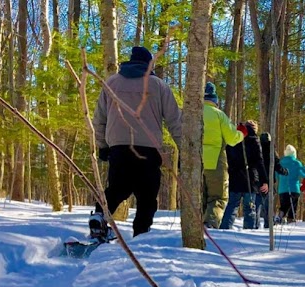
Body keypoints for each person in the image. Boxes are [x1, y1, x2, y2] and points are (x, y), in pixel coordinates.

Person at [90, 46, 183, 239]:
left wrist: (102, 145)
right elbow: (175, 120)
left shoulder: (112, 83)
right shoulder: (159, 85)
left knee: (116, 188)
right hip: (148, 148)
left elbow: (99, 118)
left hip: (119, 146)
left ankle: (100, 216)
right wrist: (184, 148)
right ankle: (141, 231)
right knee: (147, 194)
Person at [203, 82, 244, 228]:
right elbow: (232, 139)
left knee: (199, 197)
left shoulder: (191, 113)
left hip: (195, 163)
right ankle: (210, 226)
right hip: (215, 162)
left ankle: (195, 225)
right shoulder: (219, 115)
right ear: (215, 100)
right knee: (218, 197)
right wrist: (242, 133)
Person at [220, 120, 268, 229]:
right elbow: (259, 162)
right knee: (250, 207)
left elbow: (228, 156)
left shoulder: (234, 138)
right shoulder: (254, 140)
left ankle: (224, 229)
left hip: (235, 178)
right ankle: (249, 230)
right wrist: (264, 180)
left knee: (232, 205)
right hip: (250, 179)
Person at [256, 132, 288, 228]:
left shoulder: (257, 149)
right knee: (268, 205)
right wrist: (285, 171)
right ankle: (268, 224)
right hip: (268, 181)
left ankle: (255, 224)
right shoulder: (271, 151)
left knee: (257, 205)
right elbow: (277, 165)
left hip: (258, 180)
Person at [276, 144, 305, 224]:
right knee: (293, 206)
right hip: (294, 188)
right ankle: (291, 219)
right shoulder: (297, 163)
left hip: (282, 189)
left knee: (284, 205)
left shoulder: (280, 162)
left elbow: (276, 175)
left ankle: (281, 215)